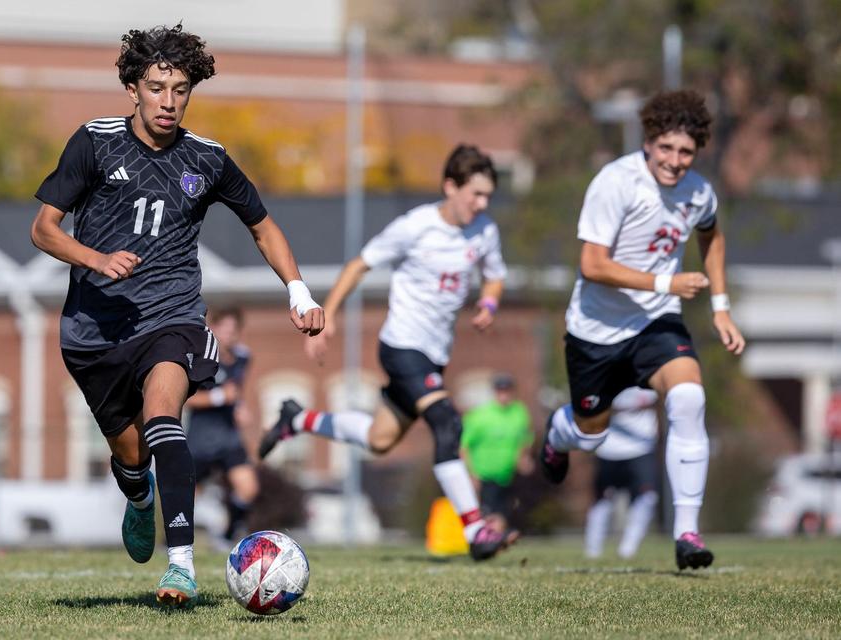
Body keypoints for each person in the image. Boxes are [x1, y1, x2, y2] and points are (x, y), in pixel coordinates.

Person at [29, 24, 324, 608]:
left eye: (180, 90)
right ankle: (138, 497)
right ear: (133, 88)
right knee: (131, 454)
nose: (169, 102)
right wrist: (96, 259)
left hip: (173, 316)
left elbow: (262, 226)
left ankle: (182, 565)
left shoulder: (207, 159)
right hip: (95, 331)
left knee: (165, 413)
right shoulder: (94, 143)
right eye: (157, 88)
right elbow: (43, 229)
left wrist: (298, 291)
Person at [259, 144, 517, 561]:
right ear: (450, 186)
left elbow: (494, 277)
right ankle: (475, 530)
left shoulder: (484, 230)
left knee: (380, 439)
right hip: (402, 346)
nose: (482, 204)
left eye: (487, 196)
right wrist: (329, 317)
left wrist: (488, 304)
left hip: (434, 356)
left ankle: (297, 418)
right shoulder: (415, 226)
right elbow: (359, 265)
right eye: (475, 194)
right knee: (447, 423)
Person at [536, 89, 746, 571]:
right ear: (649, 142)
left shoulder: (699, 192)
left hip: (655, 321)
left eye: (686, 152)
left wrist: (720, 306)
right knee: (590, 435)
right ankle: (557, 433)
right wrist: (665, 280)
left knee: (689, 398)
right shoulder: (616, 182)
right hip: (596, 331)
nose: (675, 161)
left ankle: (687, 534)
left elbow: (712, 235)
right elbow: (592, 265)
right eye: (666, 148)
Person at [184, 306, 259, 550]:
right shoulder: (199, 359)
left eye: (232, 329)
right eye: (223, 328)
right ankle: (176, 542)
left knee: (248, 487)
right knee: (188, 498)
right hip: (201, 438)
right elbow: (185, 399)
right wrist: (218, 398)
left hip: (228, 436)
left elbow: (236, 391)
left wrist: (240, 407)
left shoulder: (242, 358)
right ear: (212, 329)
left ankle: (226, 536)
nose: (228, 334)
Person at [583, 387, 660, 559]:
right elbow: (590, 405)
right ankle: (592, 550)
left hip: (642, 448)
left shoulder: (647, 371)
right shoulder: (607, 373)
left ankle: (628, 548)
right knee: (602, 499)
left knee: (648, 497)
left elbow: (662, 398)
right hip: (608, 448)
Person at [460, 374, 534, 528]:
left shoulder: (519, 412)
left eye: (507, 391)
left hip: (509, 473)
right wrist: (470, 473)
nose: (504, 395)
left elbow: (525, 438)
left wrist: (523, 458)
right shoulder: (479, 416)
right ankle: (489, 541)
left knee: (507, 510)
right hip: (484, 474)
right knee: (490, 513)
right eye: (500, 391)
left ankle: (495, 540)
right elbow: (463, 446)